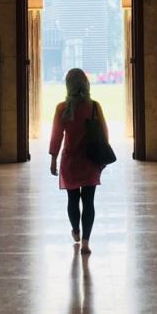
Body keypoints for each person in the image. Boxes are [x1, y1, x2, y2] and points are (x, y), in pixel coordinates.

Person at [49, 67, 106, 254]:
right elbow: (104, 134)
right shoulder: (95, 107)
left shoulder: (62, 109)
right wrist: (102, 160)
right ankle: (86, 242)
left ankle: (75, 230)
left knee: (72, 200)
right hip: (90, 161)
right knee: (89, 202)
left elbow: (56, 136)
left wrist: (53, 159)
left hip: (70, 161)